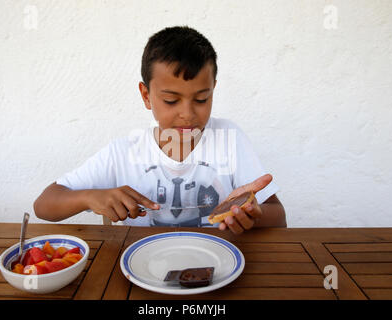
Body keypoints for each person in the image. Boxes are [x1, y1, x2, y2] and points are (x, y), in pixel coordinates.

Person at [34, 26, 286, 234]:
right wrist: (90, 197)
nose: (187, 114)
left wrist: (253, 214)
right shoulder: (123, 154)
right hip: (140, 274)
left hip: (219, 269)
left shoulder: (229, 139)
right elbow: (44, 205)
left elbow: (279, 217)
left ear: (213, 90)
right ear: (146, 96)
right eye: (171, 100)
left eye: (201, 99)